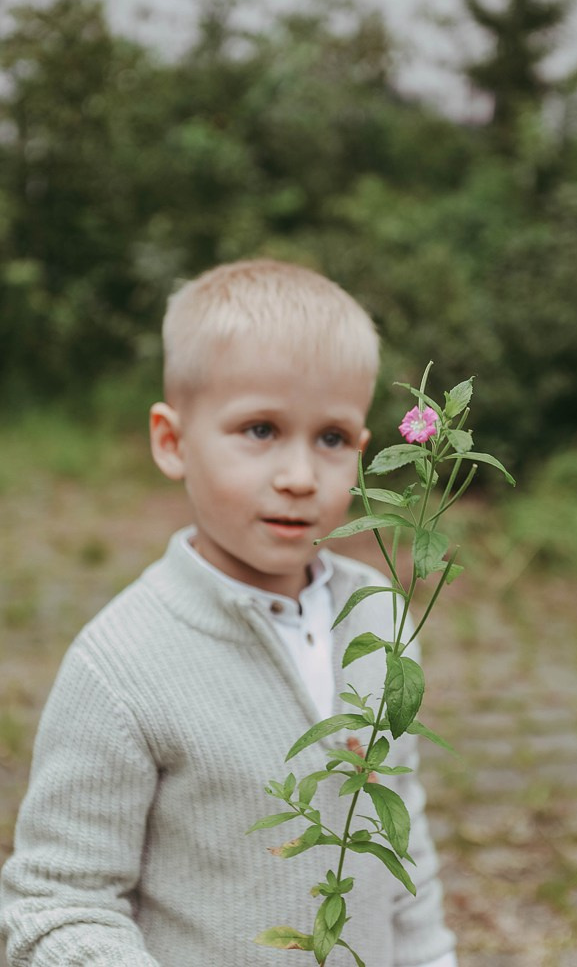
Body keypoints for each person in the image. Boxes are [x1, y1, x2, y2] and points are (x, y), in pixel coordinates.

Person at [0, 259, 458, 967]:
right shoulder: (120, 664)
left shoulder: (383, 621)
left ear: (365, 454)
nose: (300, 476)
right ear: (172, 440)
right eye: (260, 429)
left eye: (332, 439)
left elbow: (403, 843)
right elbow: (59, 903)